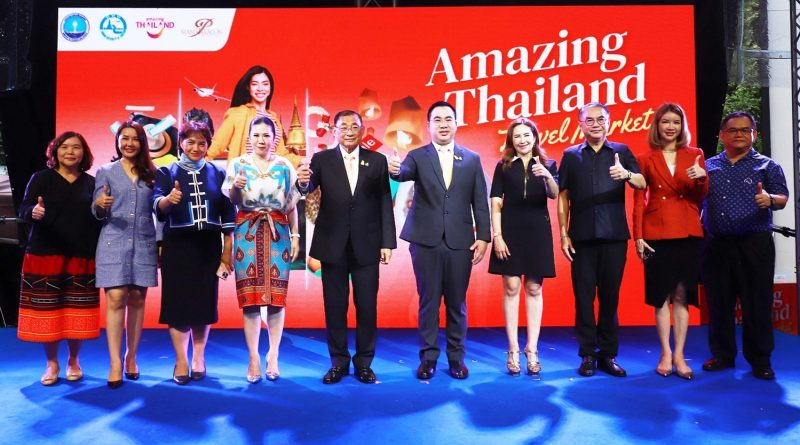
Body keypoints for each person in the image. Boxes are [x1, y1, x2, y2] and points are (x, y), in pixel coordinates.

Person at [388, 101, 491, 380]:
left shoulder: (471, 159)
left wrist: (484, 236)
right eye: (437, 120)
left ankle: (457, 358)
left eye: (448, 119)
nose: (443, 124)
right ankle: (428, 358)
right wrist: (394, 169)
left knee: (457, 303)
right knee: (429, 302)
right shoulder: (417, 156)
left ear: (456, 124)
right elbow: (403, 173)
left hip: (461, 242)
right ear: (429, 125)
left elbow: (480, 202)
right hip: (425, 241)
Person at [296, 110, 396, 384]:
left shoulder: (377, 160)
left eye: (354, 126)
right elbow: (307, 187)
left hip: (368, 244)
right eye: (343, 127)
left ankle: (364, 363)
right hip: (332, 244)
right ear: (334, 131)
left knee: (367, 307)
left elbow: (384, 201)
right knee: (335, 307)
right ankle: (338, 362)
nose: (349, 131)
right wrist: (302, 181)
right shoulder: (322, 159)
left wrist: (387, 242)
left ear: (362, 130)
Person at [557, 102, 646, 378]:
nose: (595, 124)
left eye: (600, 119)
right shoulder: (570, 155)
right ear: (580, 124)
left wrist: (627, 175)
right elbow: (563, 196)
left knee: (610, 297)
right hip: (581, 237)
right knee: (583, 298)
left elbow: (642, 183)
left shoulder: (621, 151)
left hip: (613, 236)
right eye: (589, 120)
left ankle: (608, 354)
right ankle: (587, 354)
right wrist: (563, 233)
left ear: (609, 122)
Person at [701, 111, 788, 380]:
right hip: (717, 245)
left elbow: (783, 197)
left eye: (745, 130)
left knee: (757, 303)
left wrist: (770, 199)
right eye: (733, 130)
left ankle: (760, 360)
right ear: (722, 135)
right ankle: (722, 355)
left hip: (755, 244)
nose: (739, 134)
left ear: (754, 134)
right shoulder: (708, 166)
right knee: (719, 303)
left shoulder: (768, 166)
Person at [152, 121, 236, 385]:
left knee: (204, 303)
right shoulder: (166, 171)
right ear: (181, 143)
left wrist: (227, 252)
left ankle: (199, 357)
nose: (196, 147)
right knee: (177, 304)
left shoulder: (218, 173)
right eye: (190, 142)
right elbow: (156, 205)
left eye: (202, 143)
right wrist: (168, 200)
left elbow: (228, 214)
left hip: (209, 246)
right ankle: (181, 360)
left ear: (208, 145)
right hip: (177, 245)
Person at [17, 132, 101, 385]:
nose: (70, 152)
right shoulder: (40, 178)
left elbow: (98, 216)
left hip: (81, 256)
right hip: (45, 254)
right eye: (64, 147)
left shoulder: (91, 183)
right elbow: (23, 208)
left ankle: (73, 360)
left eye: (76, 147)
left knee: (77, 312)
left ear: (84, 154)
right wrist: (33, 211)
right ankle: (51, 363)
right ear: (55, 152)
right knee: (48, 312)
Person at [632, 103, 707, 380]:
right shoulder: (644, 158)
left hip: (687, 231)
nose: (671, 127)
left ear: (682, 126)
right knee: (660, 296)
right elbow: (638, 201)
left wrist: (702, 179)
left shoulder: (695, 154)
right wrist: (638, 236)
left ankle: (679, 355)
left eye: (676, 121)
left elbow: (700, 196)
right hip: (656, 233)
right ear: (657, 125)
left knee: (682, 296)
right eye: (666, 121)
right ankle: (665, 352)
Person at [223, 115, 300, 383]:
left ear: (274, 139)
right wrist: (236, 187)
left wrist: (296, 235)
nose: (261, 140)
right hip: (247, 231)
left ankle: (274, 355)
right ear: (249, 138)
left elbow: (291, 204)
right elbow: (233, 199)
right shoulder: (238, 164)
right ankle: (254, 357)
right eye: (256, 135)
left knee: (277, 299)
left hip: (278, 232)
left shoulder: (284, 165)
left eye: (266, 135)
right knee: (251, 299)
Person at [488, 118, 558, 376]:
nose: (522, 140)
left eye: (527, 135)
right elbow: (496, 201)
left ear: (535, 137)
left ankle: (532, 349)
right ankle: (513, 349)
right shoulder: (503, 166)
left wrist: (547, 176)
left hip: (538, 232)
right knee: (511, 287)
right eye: (517, 136)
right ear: (511, 140)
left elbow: (554, 194)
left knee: (534, 287)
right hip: (510, 231)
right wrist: (497, 236)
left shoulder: (548, 164)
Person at [93, 121, 158, 389]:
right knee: (116, 297)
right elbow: (96, 211)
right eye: (124, 138)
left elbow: (160, 211)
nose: (129, 143)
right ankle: (115, 362)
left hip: (144, 241)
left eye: (135, 139)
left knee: (137, 299)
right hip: (113, 241)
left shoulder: (153, 173)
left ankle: (132, 357)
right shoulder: (105, 171)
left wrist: (161, 243)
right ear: (118, 141)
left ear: (142, 143)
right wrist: (99, 205)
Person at [205, 65, 294, 164]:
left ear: (270, 87)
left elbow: (281, 154)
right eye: (255, 84)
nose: (260, 88)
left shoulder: (274, 118)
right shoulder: (237, 113)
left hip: (271, 172)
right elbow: (217, 145)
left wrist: (301, 161)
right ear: (248, 87)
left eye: (265, 84)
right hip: (245, 171)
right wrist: (196, 164)